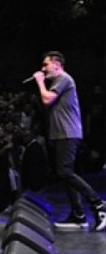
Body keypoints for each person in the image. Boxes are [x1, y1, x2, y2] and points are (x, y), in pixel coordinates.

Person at [32, 51, 106, 231]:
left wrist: (40, 81)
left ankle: (99, 205)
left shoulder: (63, 78)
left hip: (68, 133)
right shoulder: (57, 82)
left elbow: (47, 99)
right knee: (65, 173)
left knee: (65, 172)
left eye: (46, 65)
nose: (43, 69)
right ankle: (78, 215)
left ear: (57, 65)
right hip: (61, 134)